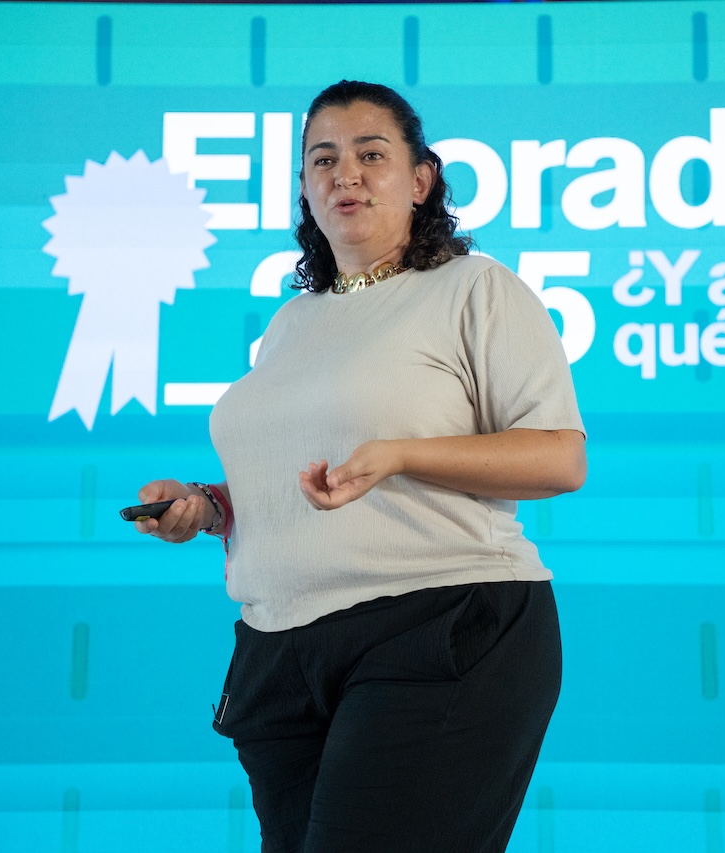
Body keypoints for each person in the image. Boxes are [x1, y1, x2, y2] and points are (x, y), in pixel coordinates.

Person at [134, 80, 586, 853]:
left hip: (438, 623)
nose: (345, 173)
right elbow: (311, 475)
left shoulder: (475, 288)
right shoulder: (291, 321)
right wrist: (207, 505)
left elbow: (559, 458)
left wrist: (401, 455)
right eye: (323, 159)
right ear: (305, 189)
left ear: (421, 180)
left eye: (371, 154)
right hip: (280, 650)